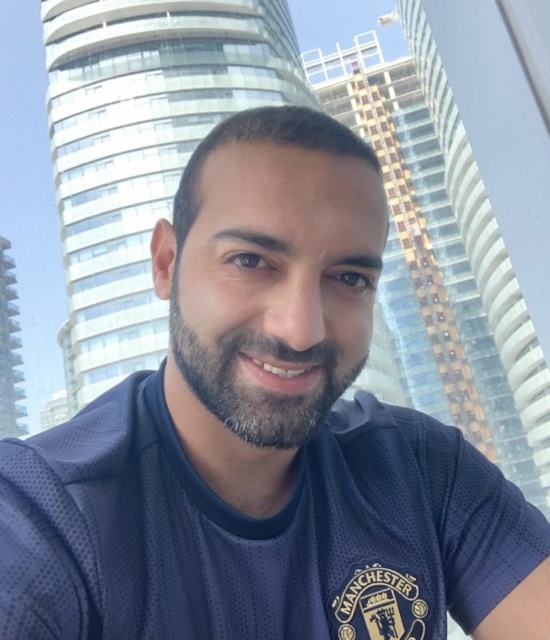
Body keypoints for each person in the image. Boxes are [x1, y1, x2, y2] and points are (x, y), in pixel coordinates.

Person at [1, 105, 549, 640]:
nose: (301, 330)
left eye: (349, 278)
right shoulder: (42, 515)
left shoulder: (422, 470)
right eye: (250, 261)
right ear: (166, 262)